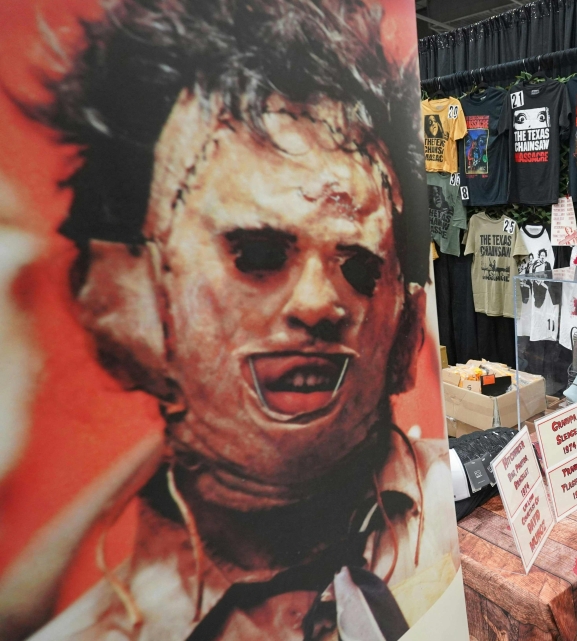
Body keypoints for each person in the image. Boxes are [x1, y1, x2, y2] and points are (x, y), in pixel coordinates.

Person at [0, 1, 462, 639]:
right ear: (126, 300)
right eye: (258, 255)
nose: (319, 305)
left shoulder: (455, 514)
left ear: (407, 319)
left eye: (359, 268)